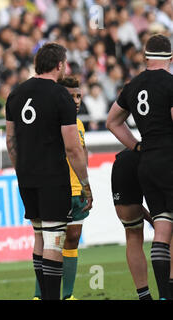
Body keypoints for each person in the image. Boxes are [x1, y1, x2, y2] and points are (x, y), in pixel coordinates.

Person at [6, 43, 92, 300]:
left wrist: (20, 170)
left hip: (27, 177)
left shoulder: (15, 94)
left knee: (40, 237)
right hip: (53, 178)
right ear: (59, 65)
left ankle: (43, 296)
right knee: (54, 240)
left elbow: (11, 143)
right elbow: (73, 148)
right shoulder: (60, 96)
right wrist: (85, 183)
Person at [106, 34, 173, 300]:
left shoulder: (133, 86)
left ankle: (153, 296)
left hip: (146, 161)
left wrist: (136, 146)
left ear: (145, 58)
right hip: (169, 159)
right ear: (170, 58)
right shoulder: (170, 84)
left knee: (159, 227)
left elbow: (113, 121)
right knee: (168, 228)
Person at [32, 76, 89, 300]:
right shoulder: (52, 121)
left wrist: (85, 184)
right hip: (56, 188)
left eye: (78, 96)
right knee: (49, 242)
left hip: (77, 189)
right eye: (70, 96)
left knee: (73, 238)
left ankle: (68, 295)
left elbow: (82, 152)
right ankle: (40, 294)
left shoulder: (80, 124)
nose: (75, 100)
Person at [111, 148, 156, 300]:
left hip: (126, 159)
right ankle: (167, 290)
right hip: (159, 156)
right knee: (168, 228)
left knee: (133, 234)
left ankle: (144, 296)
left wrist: (152, 220)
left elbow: (112, 124)